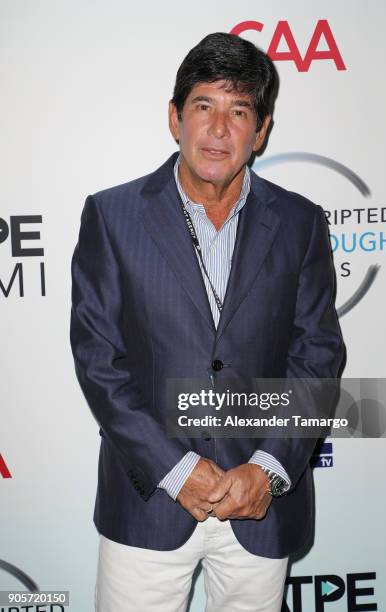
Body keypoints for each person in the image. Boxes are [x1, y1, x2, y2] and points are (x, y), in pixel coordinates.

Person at [70, 32, 344, 612]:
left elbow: (317, 358)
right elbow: (100, 362)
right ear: (175, 118)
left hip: (257, 506)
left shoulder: (301, 223)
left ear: (262, 130)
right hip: (149, 500)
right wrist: (176, 469)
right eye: (204, 106)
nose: (220, 129)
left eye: (239, 110)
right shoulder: (113, 217)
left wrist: (267, 471)